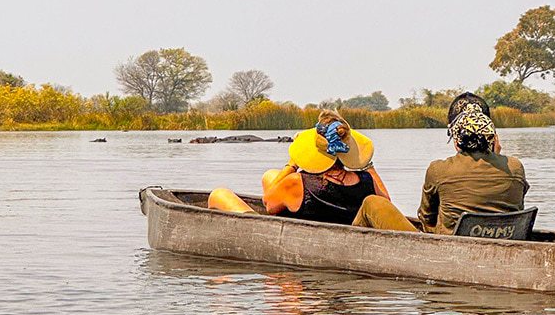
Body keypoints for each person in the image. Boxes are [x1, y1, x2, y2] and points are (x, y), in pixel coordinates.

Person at [351, 93, 529, 234]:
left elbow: (426, 219)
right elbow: (515, 205)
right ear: (492, 138)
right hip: (504, 236)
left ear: (457, 141)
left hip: (449, 248)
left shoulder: (439, 170)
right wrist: (496, 156)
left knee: (371, 203)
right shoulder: (515, 167)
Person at [207, 109, 390, 225]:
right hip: (343, 219)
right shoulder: (366, 181)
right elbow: (386, 204)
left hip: (295, 220)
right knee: (270, 175)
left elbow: (268, 203)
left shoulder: (297, 182)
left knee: (219, 194)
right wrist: (366, 164)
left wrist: (293, 163)